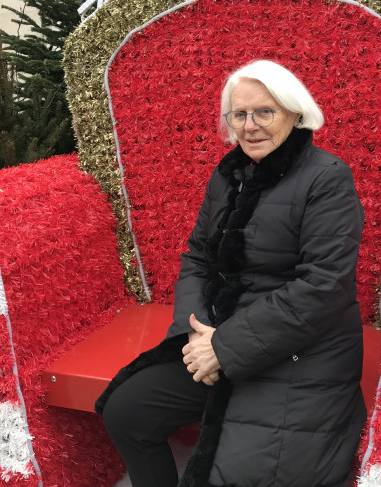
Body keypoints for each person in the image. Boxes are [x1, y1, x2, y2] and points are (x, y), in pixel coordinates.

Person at [96, 60, 366, 487]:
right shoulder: (229, 175)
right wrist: (197, 333)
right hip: (216, 338)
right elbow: (198, 258)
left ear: (294, 113)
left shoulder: (327, 178)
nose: (250, 126)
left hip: (301, 349)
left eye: (265, 112)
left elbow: (323, 286)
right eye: (239, 114)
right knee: (127, 411)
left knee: (243, 470)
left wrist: (225, 346)